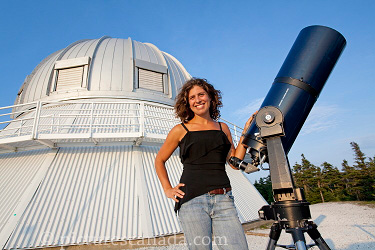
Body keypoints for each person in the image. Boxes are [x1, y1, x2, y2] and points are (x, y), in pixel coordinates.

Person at [155, 78, 255, 250]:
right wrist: (167, 189)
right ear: (187, 103)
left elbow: (233, 163)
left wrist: (246, 135)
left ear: (210, 97)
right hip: (192, 201)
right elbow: (159, 160)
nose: (197, 100)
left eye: (201, 94)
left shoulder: (222, 128)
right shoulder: (180, 130)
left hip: (224, 199)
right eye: (192, 97)